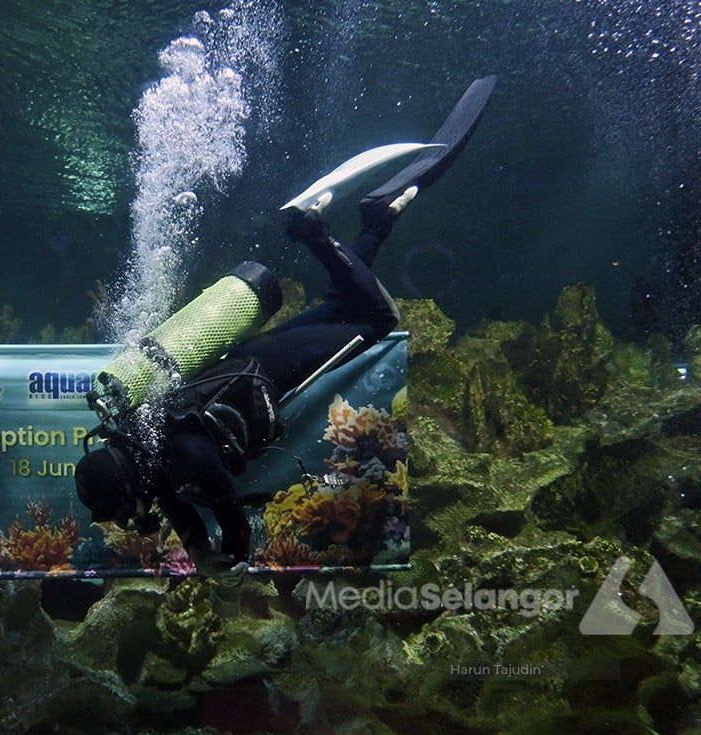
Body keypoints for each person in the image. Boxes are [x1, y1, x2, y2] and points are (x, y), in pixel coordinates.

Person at [75, 77, 496, 606]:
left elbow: (230, 516)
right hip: (253, 361)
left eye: (117, 509)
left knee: (377, 321)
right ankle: (378, 217)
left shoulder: (173, 452)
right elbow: (185, 518)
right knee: (339, 305)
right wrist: (203, 558)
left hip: (275, 370)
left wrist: (227, 560)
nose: (123, 519)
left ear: (125, 487)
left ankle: (312, 230)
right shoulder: (147, 448)